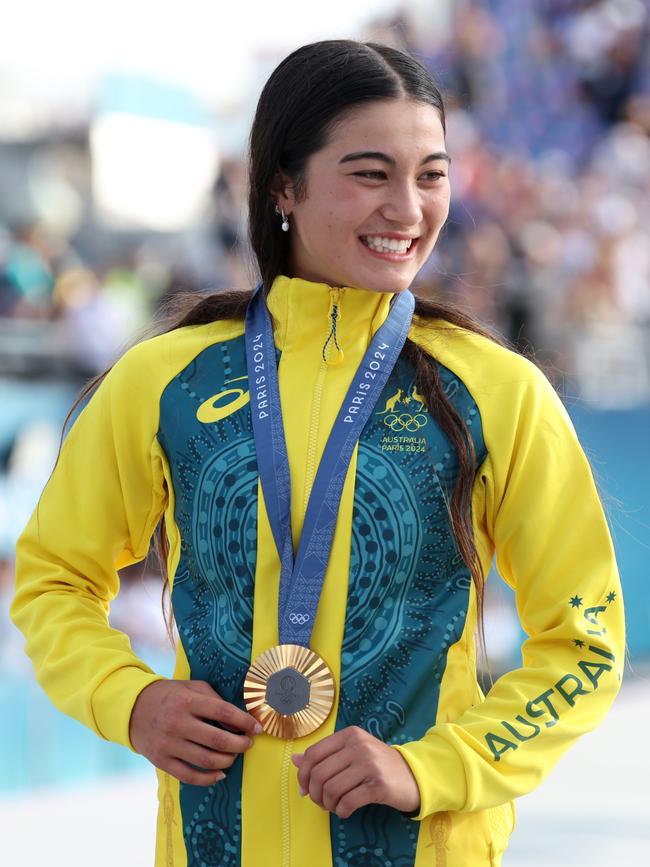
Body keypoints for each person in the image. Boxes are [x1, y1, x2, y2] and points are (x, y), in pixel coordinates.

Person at [11, 40, 624, 867]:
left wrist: (431, 767)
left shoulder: (496, 390)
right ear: (282, 187)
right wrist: (130, 699)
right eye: (370, 173)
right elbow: (54, 579)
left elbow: (584, 645)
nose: (408, 208)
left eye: (432, 174)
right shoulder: (166, 380)